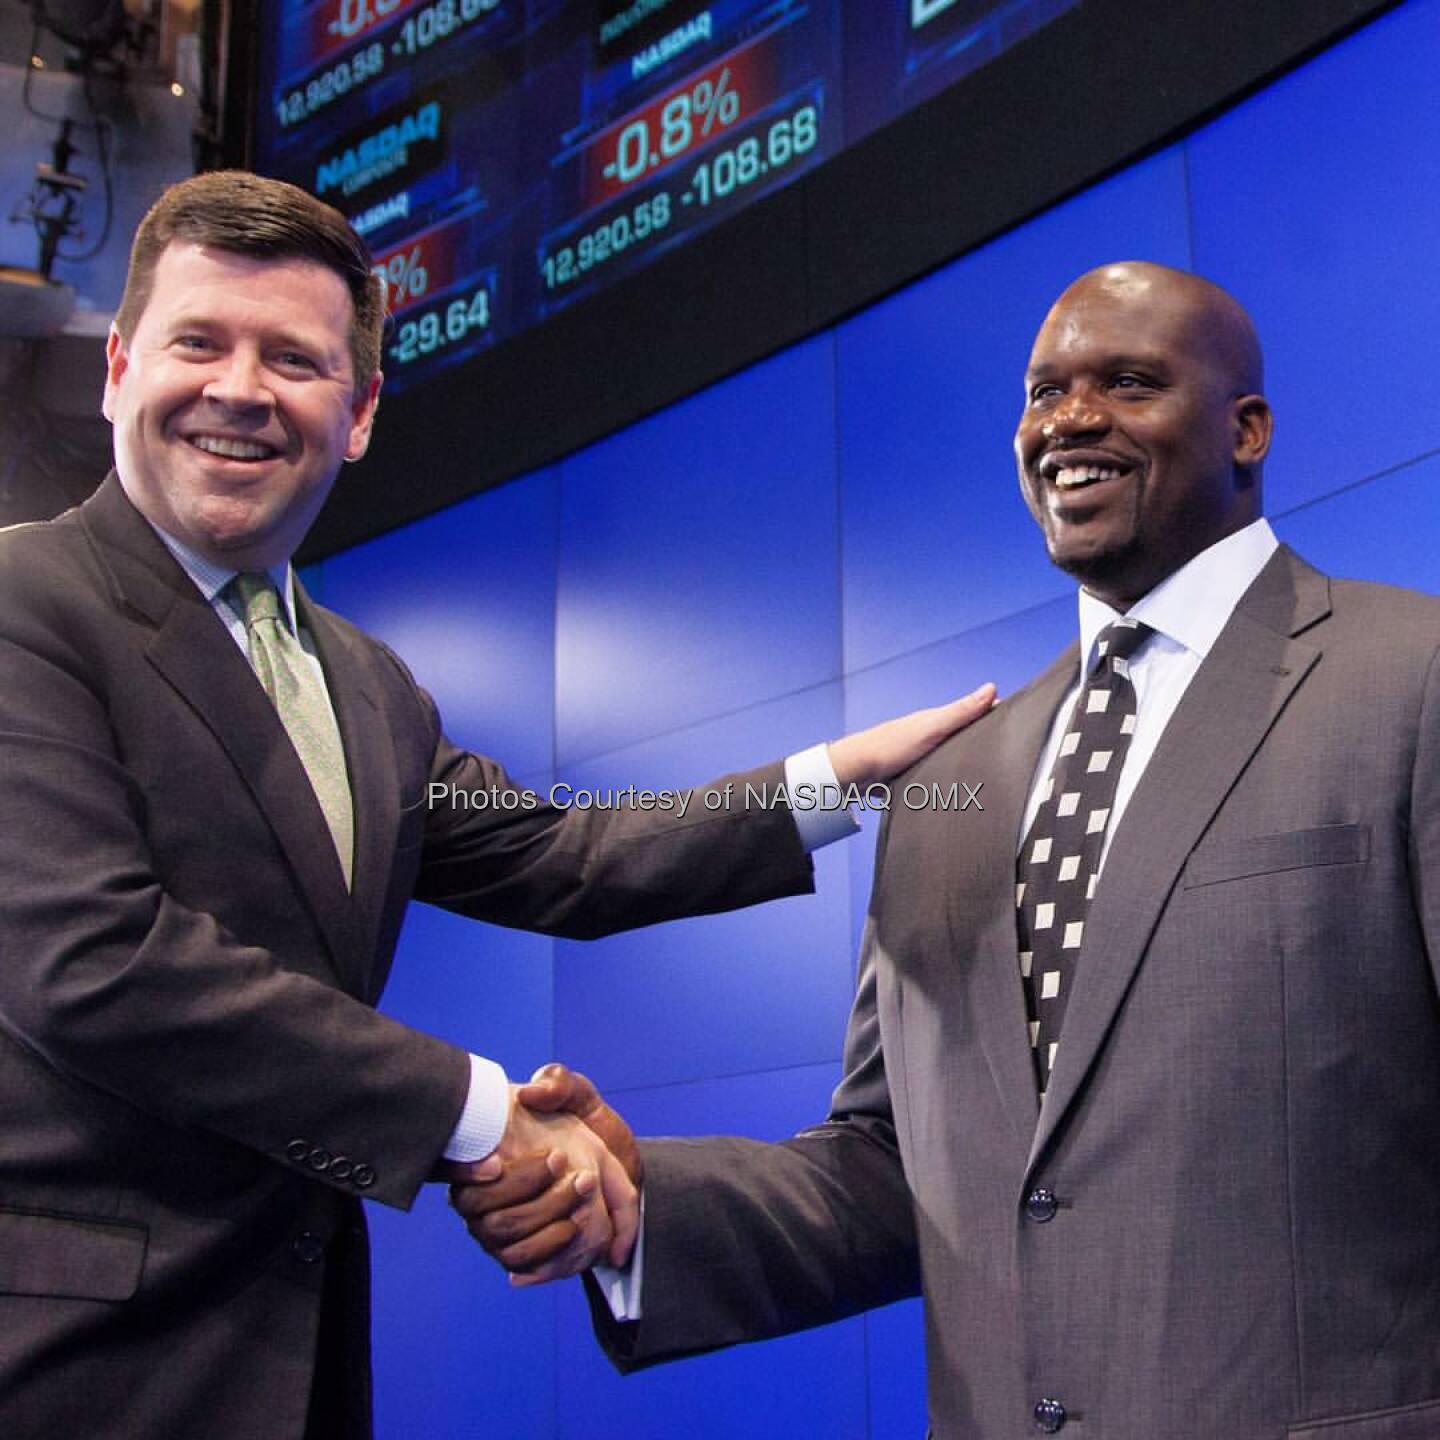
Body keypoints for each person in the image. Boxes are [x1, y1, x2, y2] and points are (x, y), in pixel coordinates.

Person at [0, 169, 995, 1440]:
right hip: (73, 1364)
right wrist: (480, 1119)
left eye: (293, 360)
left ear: (357, 413)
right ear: (119, 370)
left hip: (290, 1364)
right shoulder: (25, 601)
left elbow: (560, 854)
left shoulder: (366, 683)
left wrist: (835, 783)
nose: (239, 389)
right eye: (199, 342)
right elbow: (96, 965)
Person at [457, 261, 1440, 1439]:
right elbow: (897, 1170)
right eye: (1042, 393)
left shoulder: (1411, 679)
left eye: (1128, 382)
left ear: (1247, 429)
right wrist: (634, 1204)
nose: (1069, 422)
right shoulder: (949, 784)